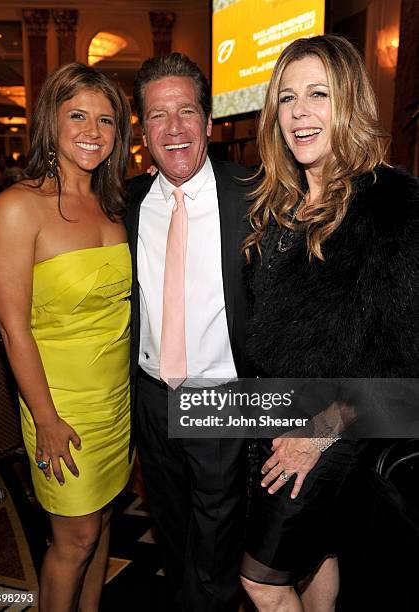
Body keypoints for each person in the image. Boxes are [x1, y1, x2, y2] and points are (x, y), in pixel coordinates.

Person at [240, 34, 419, 611]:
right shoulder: (282, 203)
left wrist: (316, 434)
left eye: (318, 94)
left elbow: (401, 362)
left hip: (334, 425)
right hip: (275, 411)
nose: (299, 113)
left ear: (350, 104)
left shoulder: (392, 205)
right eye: (287, 98)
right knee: (316, 559)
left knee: (261, 584)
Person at [0, 62, 132, 612]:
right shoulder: (18, 207)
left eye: (106, 120)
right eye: (78, 116)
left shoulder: (115, 208)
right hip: (59, 402)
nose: (93, 131)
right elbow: (11, 328)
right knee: (74, 539)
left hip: (115, 403)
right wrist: (45, 419)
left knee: (102, 525)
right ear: (51, 120)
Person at [127, 53, 253, 611]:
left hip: (222, 400)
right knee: (172, 529)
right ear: (143, 132)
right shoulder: (126, 204)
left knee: (218, 540)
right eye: (158, 115)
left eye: (186, 112)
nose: (174, 128)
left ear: (207, 120)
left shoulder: (254, 195)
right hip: (152, 399)